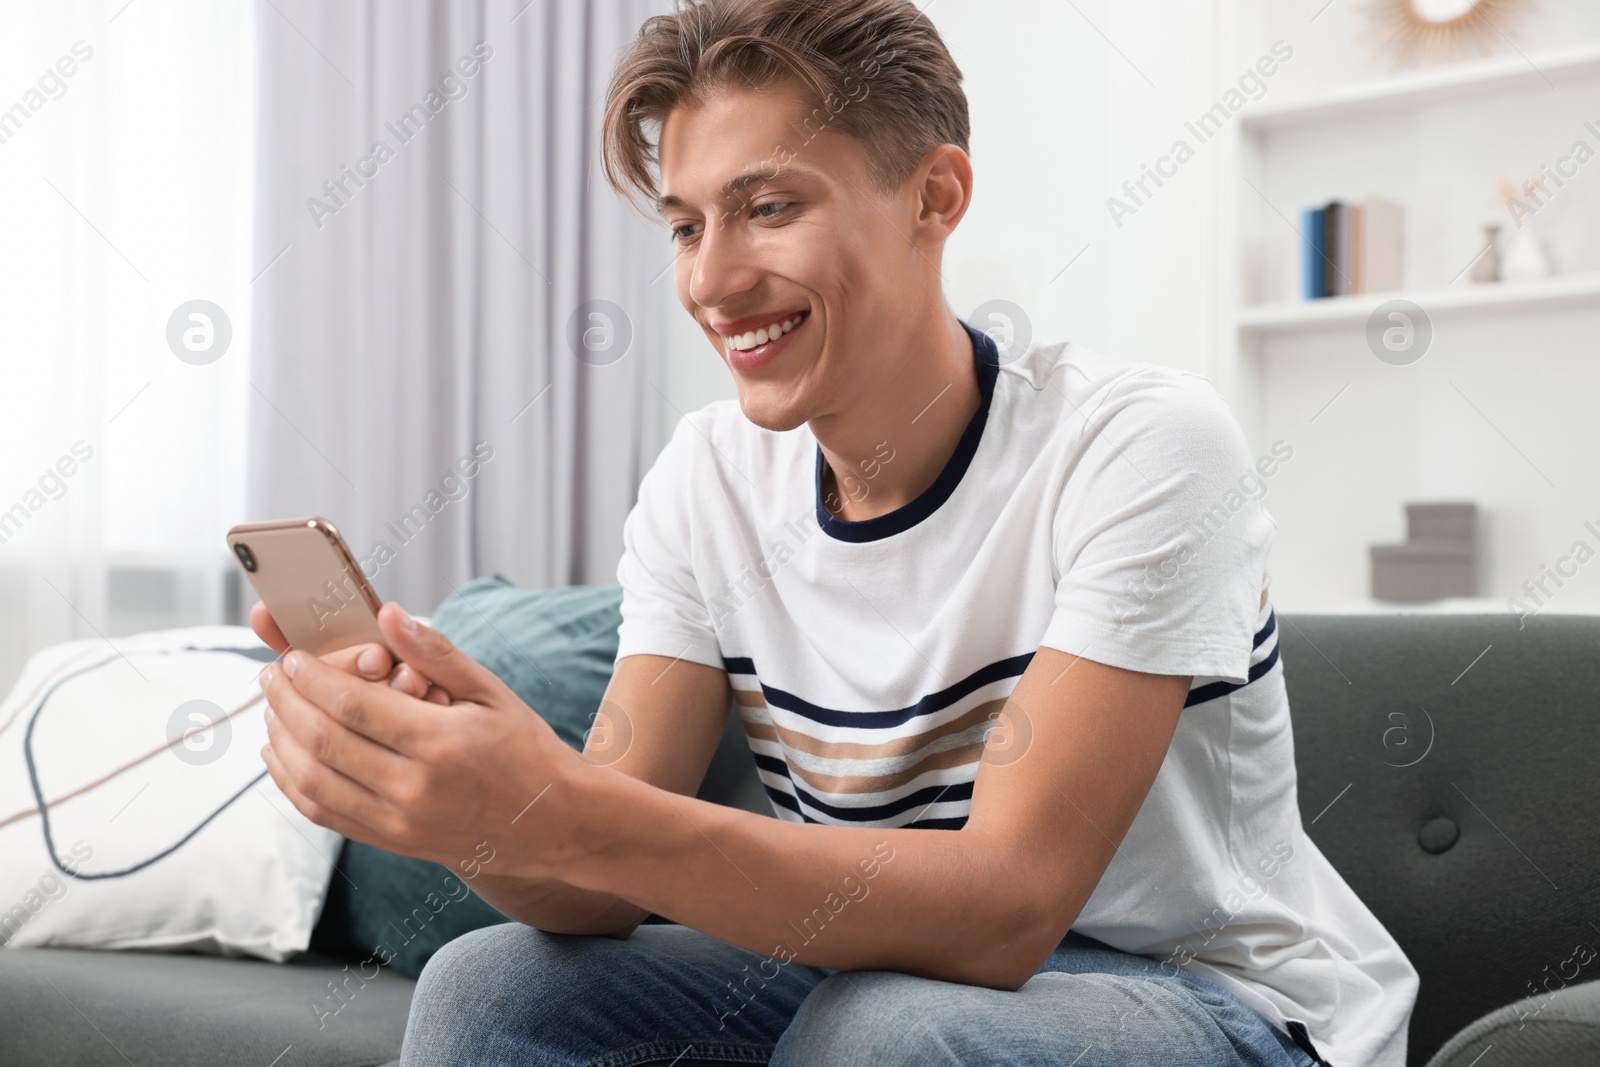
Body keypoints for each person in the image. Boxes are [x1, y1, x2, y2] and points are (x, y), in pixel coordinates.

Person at [252, 1, 1419, 1063]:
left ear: (934, 195)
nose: (713, 279)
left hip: (1209, 1000)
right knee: (485, 984)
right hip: (870, 967)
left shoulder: (1141, 444)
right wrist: (478, 809)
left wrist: (565, 807)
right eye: (684, 225)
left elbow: (1011, 904)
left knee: (888, 1030)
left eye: (768, 208)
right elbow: (592, 891)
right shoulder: (704, 477)